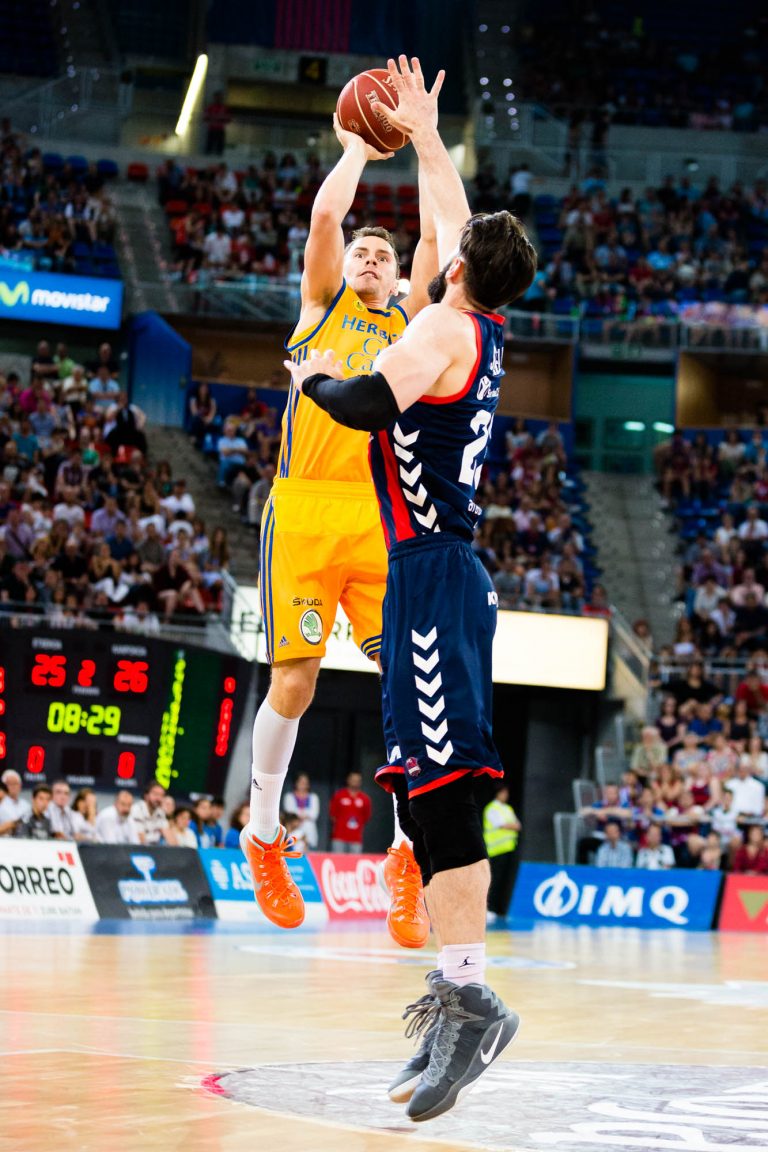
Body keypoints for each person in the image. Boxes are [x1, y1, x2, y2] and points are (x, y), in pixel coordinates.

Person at [285, 56, 537, 1122]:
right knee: (423, 788)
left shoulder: (435, 329)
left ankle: (472, 1000)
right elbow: (457, 212)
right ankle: (455, 992)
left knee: (448, 792)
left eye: (458, 235)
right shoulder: (479, 325)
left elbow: (360, 404)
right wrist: (430, 136)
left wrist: (306, 375)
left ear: (462, 266)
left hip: (432, 575)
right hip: (429, 573)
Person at [241, 88, 439, 949]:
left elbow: (439, 238)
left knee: (407, 688)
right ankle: (260, 835)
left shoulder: (409, 319)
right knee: (296, 681)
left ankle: (406, 856)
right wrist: (359, 146)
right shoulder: (321, 304)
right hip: (306, 511)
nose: (367, 254)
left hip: (380, 518)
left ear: (398, 280)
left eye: (380, 254)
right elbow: (326, 214)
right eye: (362, 248)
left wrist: (426, 144)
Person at [483, 783, 521, 918]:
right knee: (494, 880)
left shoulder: (508, 808)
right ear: (498, 793)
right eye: (504, 793)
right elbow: (502, 825)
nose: (506, 795)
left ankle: (498, 909)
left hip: (508, 848)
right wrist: (510, 826)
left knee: (503, 881)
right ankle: (488, 908)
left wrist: (510, 826)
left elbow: (517, 825)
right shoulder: (492, 808)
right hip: (495, 850)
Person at [329, 771, 372, 853]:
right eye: (353, 780)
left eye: (357, 781)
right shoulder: (339, 795)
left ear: (360, 782)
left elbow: (366, 817)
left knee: (354, 862)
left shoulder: (365, 799)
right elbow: (332, 814)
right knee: (338, 862)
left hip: (356, 838)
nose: (355, 782)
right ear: (348, 780)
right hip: (339, 837)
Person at [281, 772, 320, 849]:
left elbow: (314, 815)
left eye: (305, 782)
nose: (303, 784)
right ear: (296, 783)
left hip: (310, 832)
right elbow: (290, 814)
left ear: (308, 784)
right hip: (294, 830)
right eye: (301, 782)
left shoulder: (313, 797)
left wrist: (298, 813)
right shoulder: (289, 797)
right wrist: (306, 814)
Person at [131, 779, 168, 845]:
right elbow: (141, 840)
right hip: (138, 850)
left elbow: (169, 836)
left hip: (154, 850)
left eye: (162, 795)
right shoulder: (136, 809)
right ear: (146, 795)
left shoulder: (161, 812)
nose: (159, 798)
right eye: (156, 794)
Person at [0, 768, 30, 835]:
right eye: (9, 783)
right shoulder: (1, 803)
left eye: (15, 783)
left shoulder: (26, 805)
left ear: (20, 786)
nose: (13, 786)